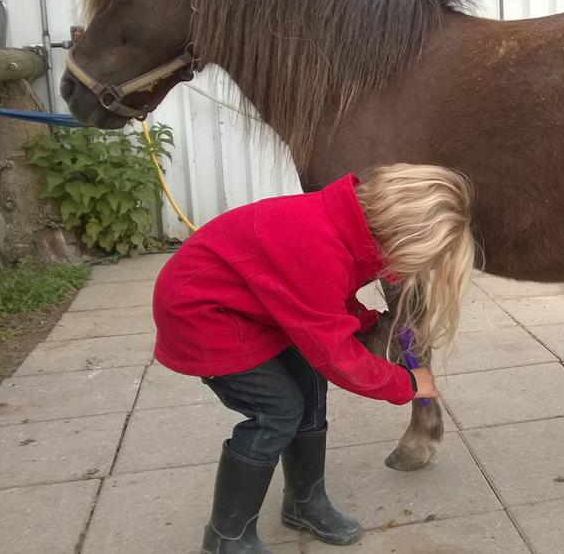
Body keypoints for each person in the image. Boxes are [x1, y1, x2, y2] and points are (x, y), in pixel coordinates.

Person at [152, 164, 475, 553]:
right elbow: (336, 357)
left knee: (309, 387)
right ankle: (225, 537)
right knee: (278, 410)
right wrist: (406, 384)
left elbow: (320, 301)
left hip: (256, 308)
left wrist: (365, 321)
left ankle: (303, 503)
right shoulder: (318, 244)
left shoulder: (350, 226)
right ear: (398, 234)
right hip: (204, 316)